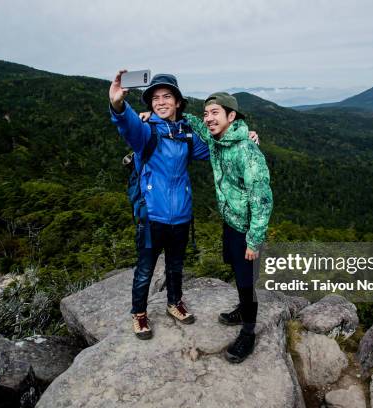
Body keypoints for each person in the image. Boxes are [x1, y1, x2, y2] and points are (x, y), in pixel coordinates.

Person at [109, 71, 258, 340]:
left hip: (181, 215)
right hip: (152, 214)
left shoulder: (187, 134)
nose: (161, 102)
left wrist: (244, 136)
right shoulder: (146, 132)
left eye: (167, 96)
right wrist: (119, 105)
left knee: (176, 265)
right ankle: (139, 313)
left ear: (178, 102)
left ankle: (174, 302)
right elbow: (128, 125)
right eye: (155, 98)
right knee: (145, 268)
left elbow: (218, 147)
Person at [184, 92, 273, 363]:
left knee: (246, 280)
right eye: (207, 113)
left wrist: (254, 241)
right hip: (231, 221)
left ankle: (248, 331)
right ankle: (241, 310)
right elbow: (195, 123)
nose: (208, 119)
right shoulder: (215, 139)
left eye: (215, 113)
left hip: (247, 229)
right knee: (236, 270)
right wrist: (157, 114)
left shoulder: (247, 151)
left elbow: (262, 199)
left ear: (231, 117)